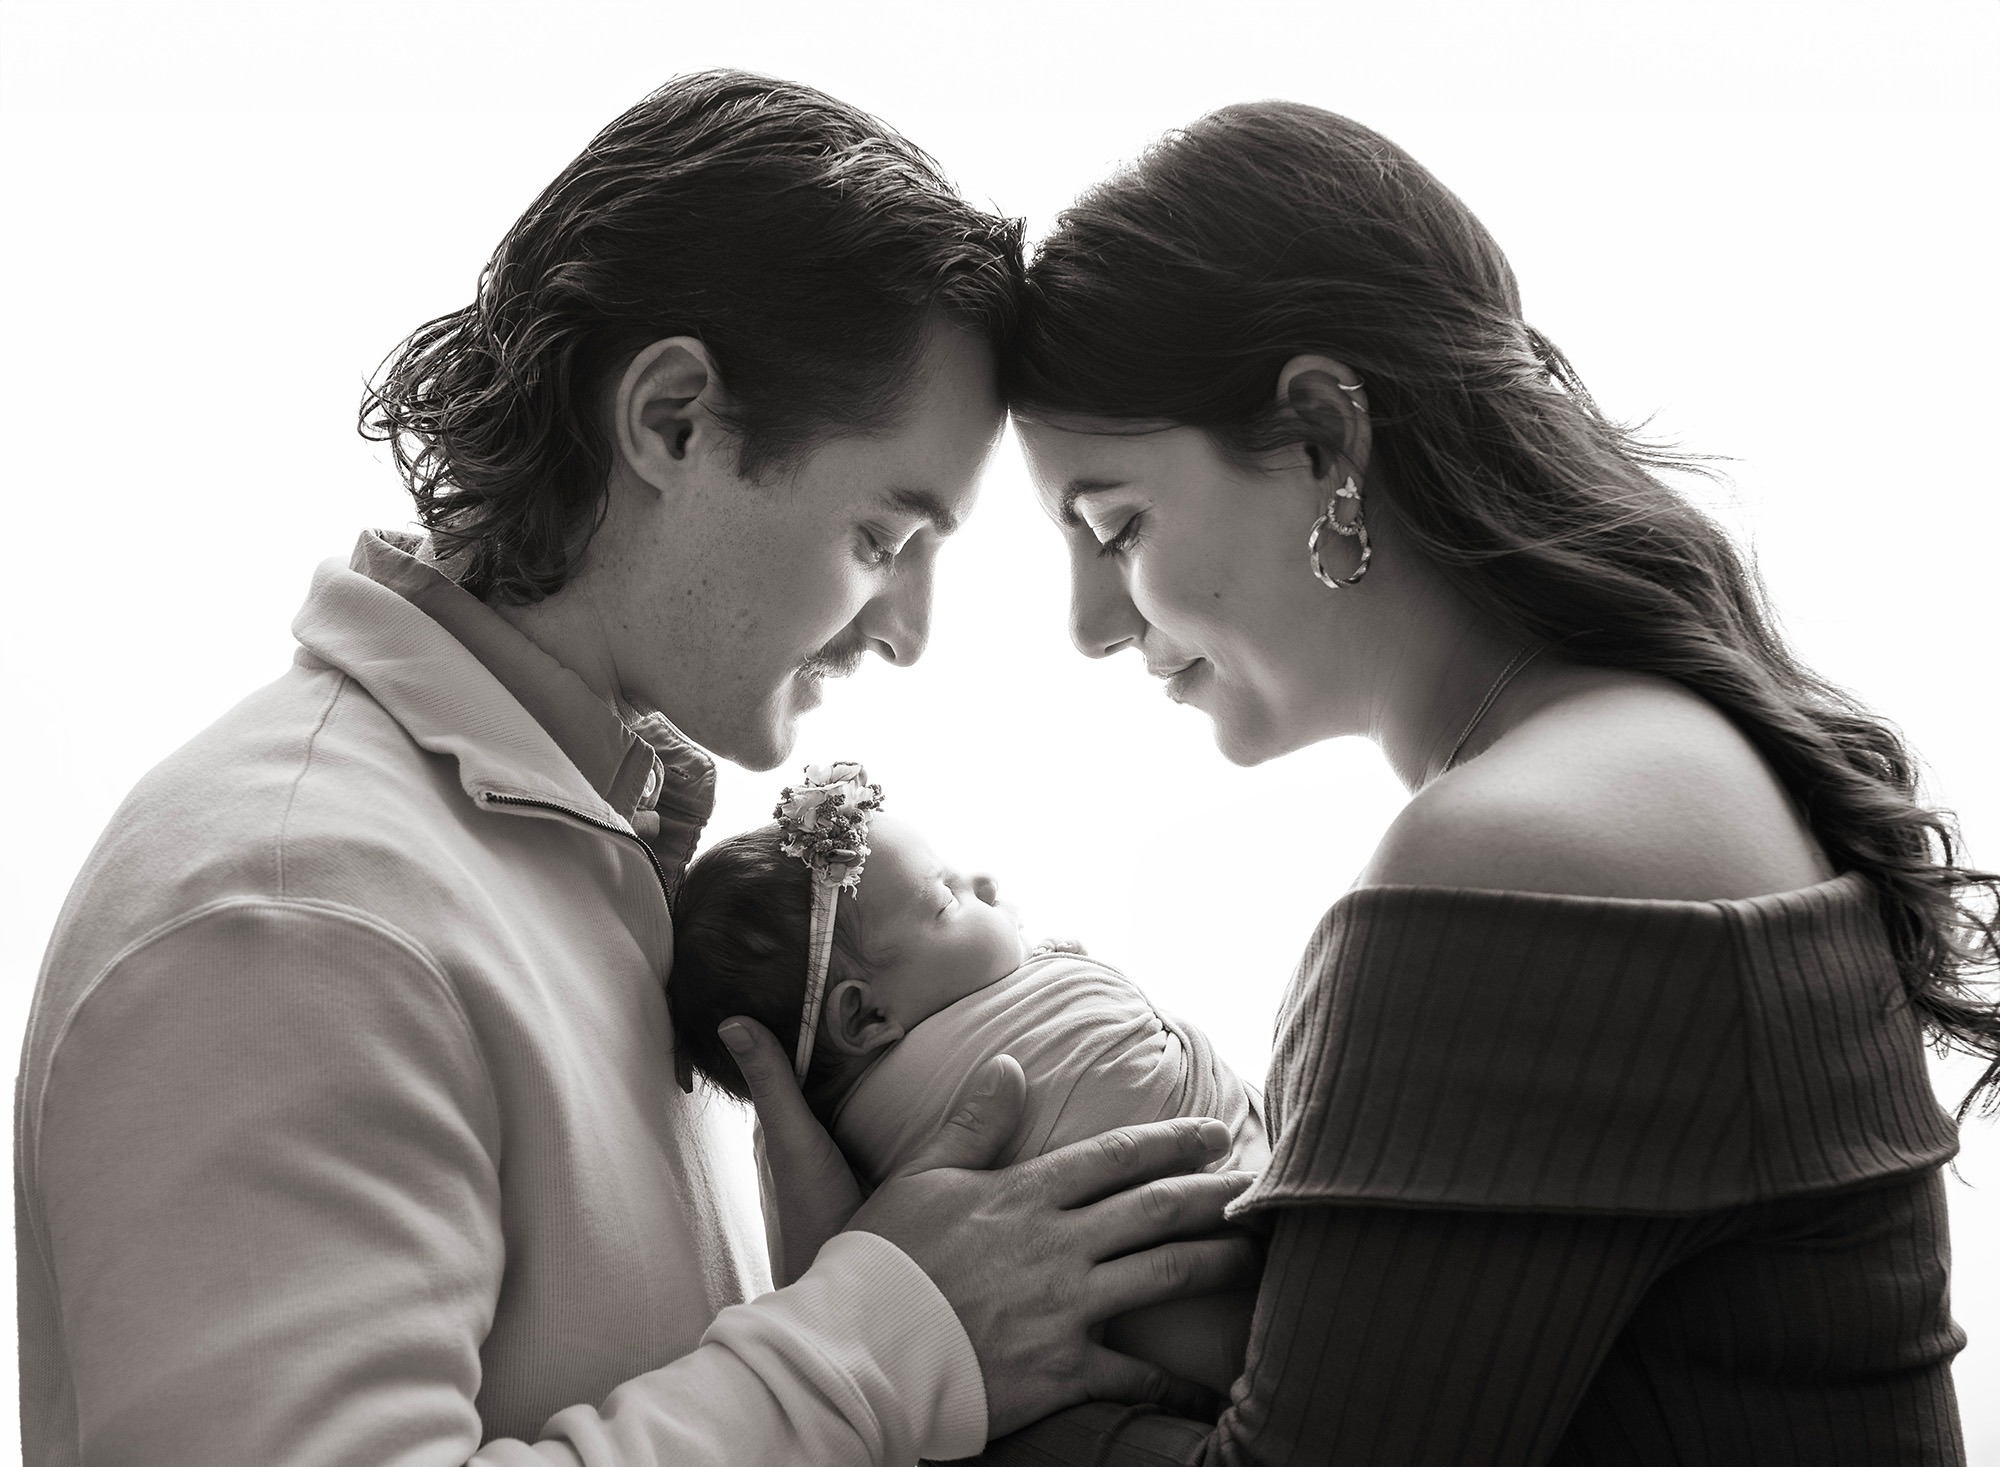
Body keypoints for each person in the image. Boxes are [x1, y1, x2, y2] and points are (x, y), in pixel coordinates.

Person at [13, 72, 1260, 1467]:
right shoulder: (293, 912)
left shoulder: (598, 876)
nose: (906, 633)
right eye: (881, 539)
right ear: (673, 420)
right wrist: (880, 1336)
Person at [983, 101, 2000, 1462]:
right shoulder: (1665, 753)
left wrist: (925, 1346)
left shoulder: (1518, 848)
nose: (1091, 624)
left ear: (1325, 440)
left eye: (1117, 526)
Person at [667, 766, 1268, 1396]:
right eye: (948, 900)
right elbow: (1117, 1074)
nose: (985, 881)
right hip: (1244, 1310)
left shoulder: (855, 1172)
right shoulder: (964, 1089)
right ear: (866, 1016)